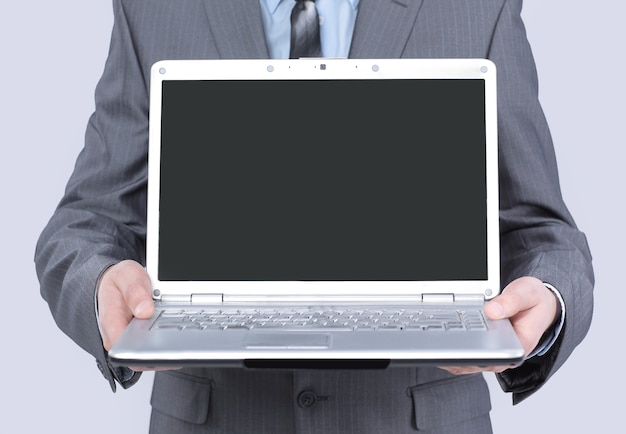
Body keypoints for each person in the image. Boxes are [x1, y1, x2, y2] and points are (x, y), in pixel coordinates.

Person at [35, 0, 594, 433]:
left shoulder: (476, 9)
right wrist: (103, 284)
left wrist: (547, 297)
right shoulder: (156, 9)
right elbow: (85, 225)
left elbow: (542, 231)